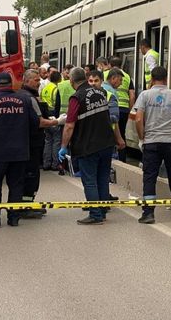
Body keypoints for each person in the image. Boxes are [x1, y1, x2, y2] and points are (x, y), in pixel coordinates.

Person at [0, 73, 39, 228]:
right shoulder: (24, 100)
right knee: (16, 185)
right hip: (19, 150)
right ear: (11, 84)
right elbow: (35, 122)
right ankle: (14, 218)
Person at [133, 66, 171, 224]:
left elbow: (138, 119)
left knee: (149, 176)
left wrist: (141, 138)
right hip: (170, 142)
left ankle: (148, 213)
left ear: (151, 80)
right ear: (166, 79)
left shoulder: (145, 95)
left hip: (151, 142)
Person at [59, 67, 115, 225]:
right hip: (106, 143)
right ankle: (102, 210)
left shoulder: (76, 97)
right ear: (86, 77)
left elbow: (69, 125)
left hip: (88, 145)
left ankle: (95, 215)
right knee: (103, 178)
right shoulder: (101, 92)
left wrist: (63, 146)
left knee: (89, 180)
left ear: (71, 81)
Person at [19, 69, 66, 219]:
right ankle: (26, 207)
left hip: (26, 141)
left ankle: (26, 204)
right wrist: (57, 121)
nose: (39, 83)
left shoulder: (24, 95)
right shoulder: (29, 98)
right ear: (26, 81)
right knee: (31, 175)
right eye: (36, 80)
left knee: (27, 174)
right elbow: (38, 122)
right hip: (31, 142)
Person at [104, 59, 135, 162]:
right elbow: (132, 96)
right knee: (121, 136)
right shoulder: (127, 77)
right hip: (123, 109)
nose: (121, 83)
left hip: (114, 112)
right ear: (114, 78)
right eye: (120, 81)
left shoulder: (102, 79)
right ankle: (121, 160)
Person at [42, 71, 63, 171]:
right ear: (59, 79)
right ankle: (55, 164)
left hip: (46, 117)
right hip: (54, 116)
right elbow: (57, 104)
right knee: (56, 141)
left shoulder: (45, 88)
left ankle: (46, 163)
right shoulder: (56, 89)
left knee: (48, 141)